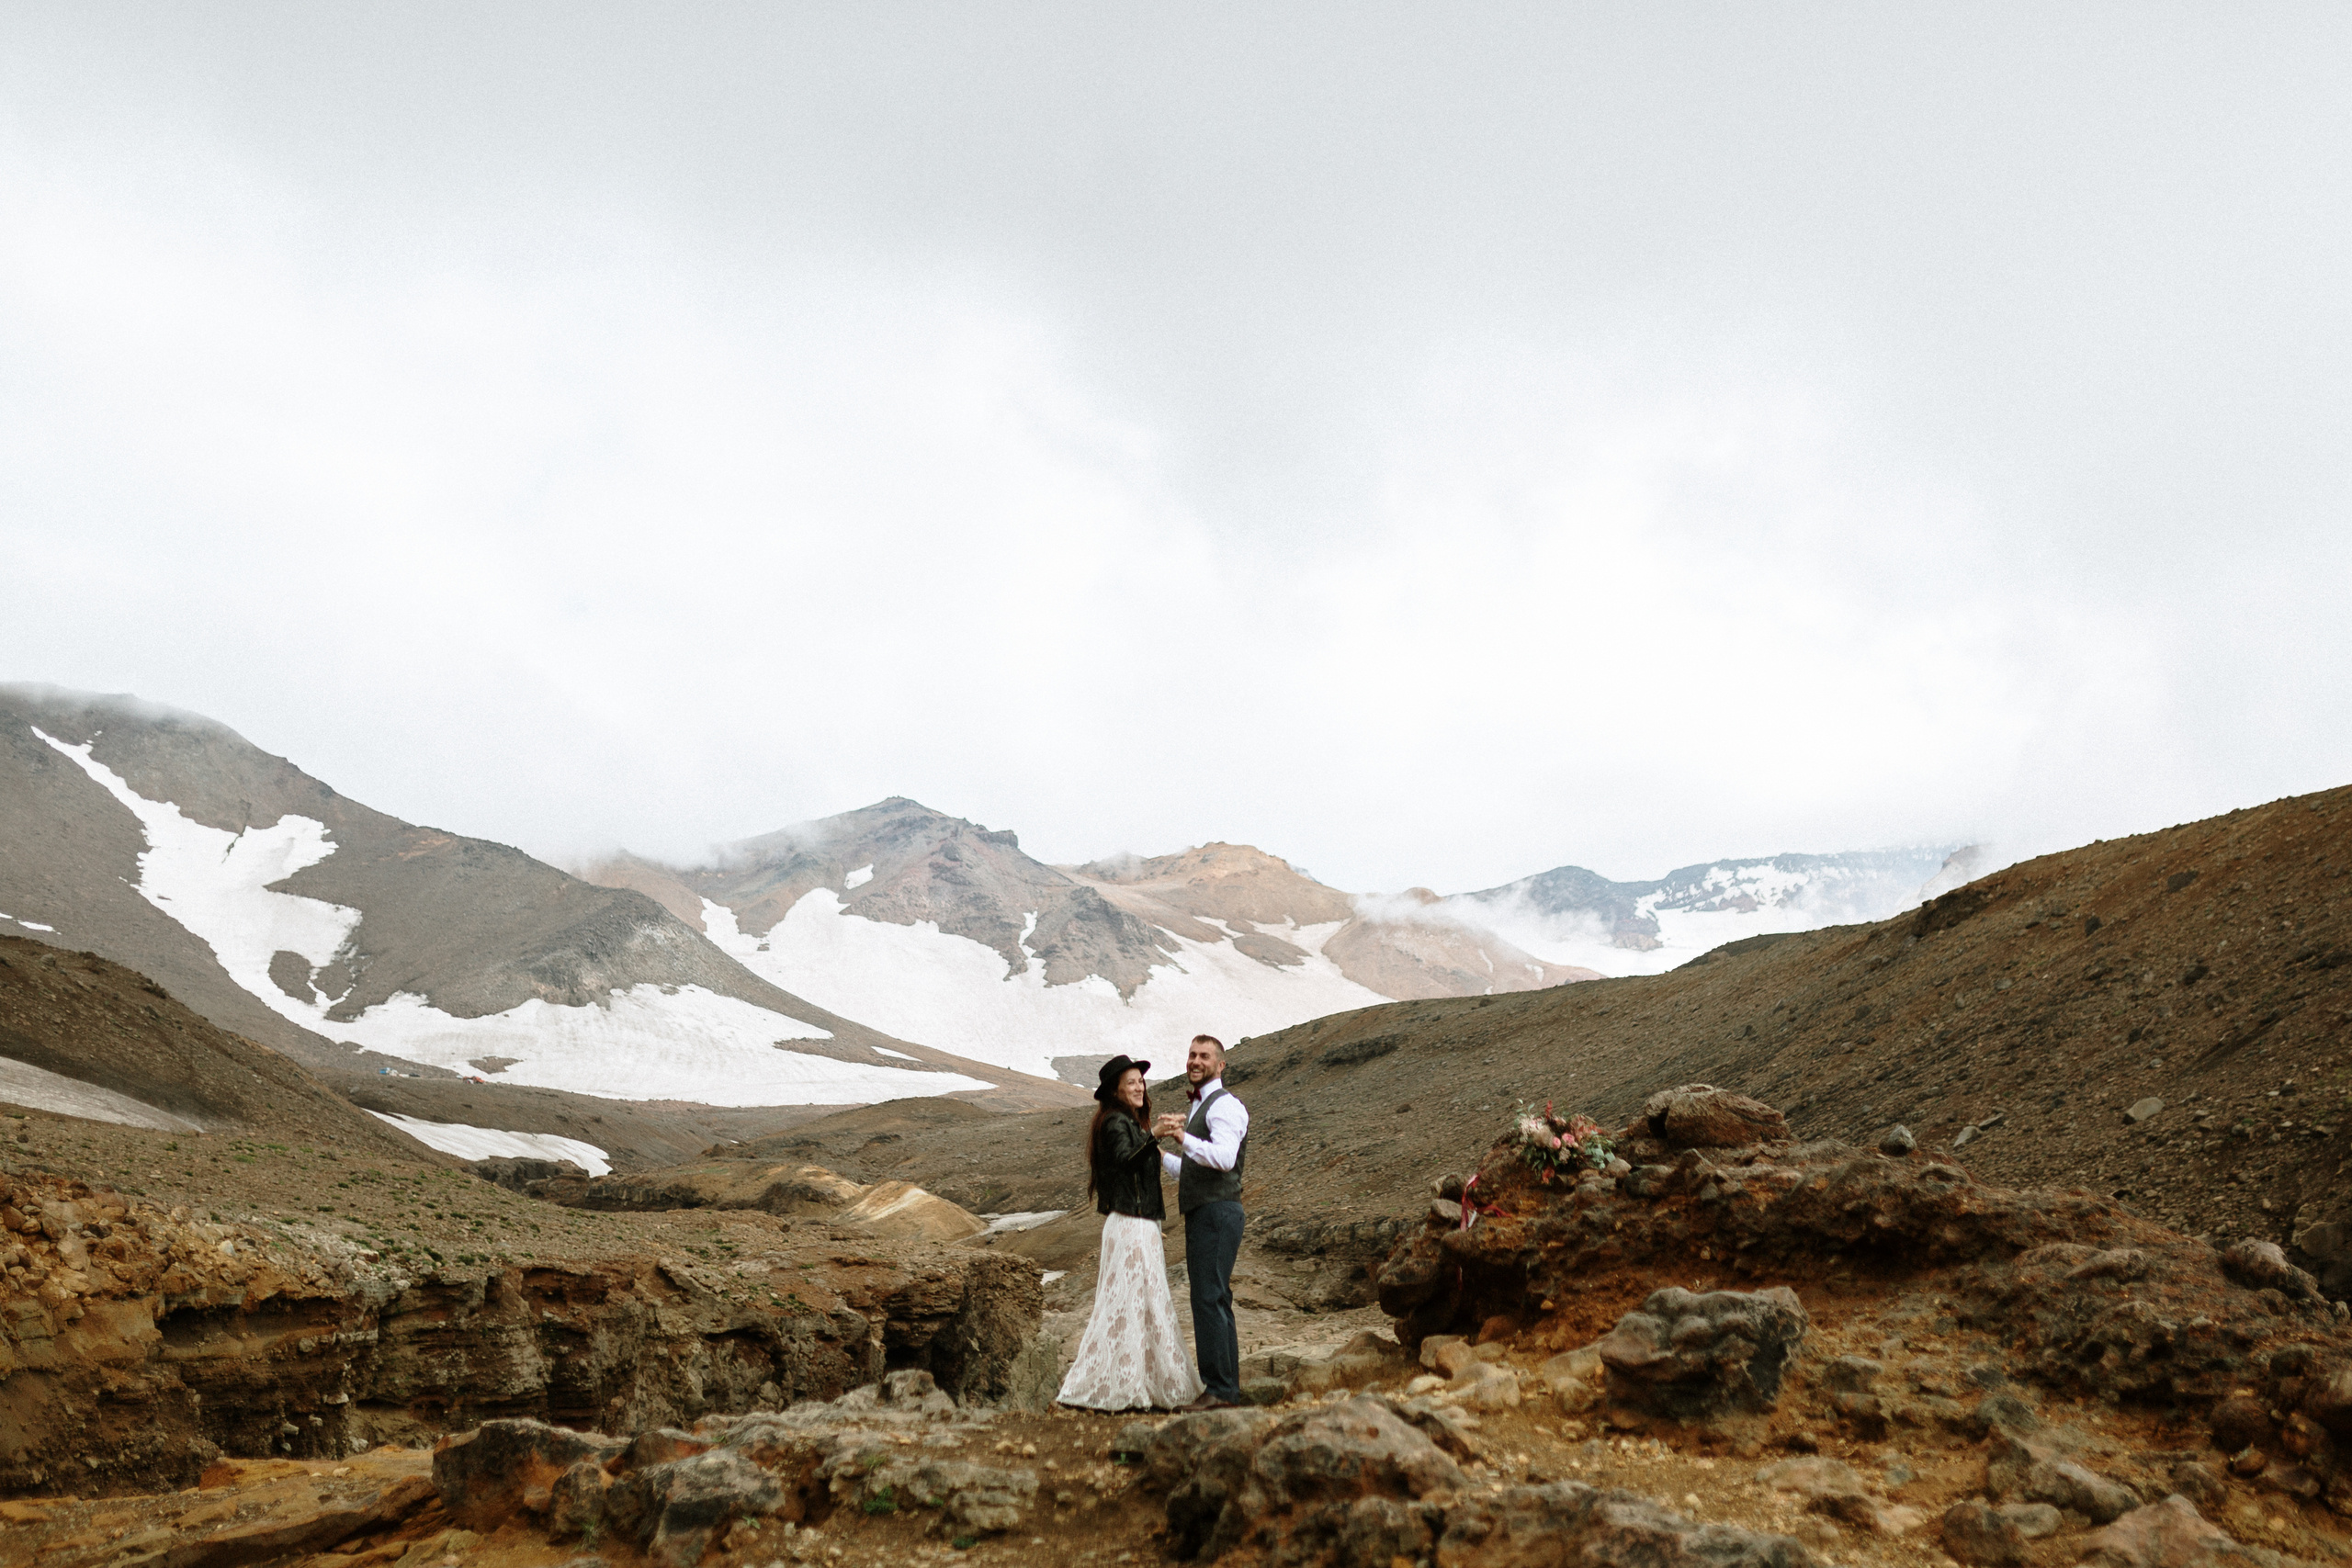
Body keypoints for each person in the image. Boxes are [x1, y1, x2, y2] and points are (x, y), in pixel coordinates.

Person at [1055, 1055, 1204, 1411]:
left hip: (1137, 1225)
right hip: (1130, 1225)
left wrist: (1148, 1222)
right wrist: (1155, 1135)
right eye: (1132, 1082)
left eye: (1141, 1081)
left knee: (1140, 1303)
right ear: (1115, 1090)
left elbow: (1134, 1173)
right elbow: (1125, 1160)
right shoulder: (1115, 1123)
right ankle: (1119, 1387)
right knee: (1130, 1303)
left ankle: (1135, 1384)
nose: (1139, 1087)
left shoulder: (1126, 1122)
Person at [1153, 1033, 1249, 1411]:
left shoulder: (1224, 1106)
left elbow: (1224, 1159)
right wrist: (1160, 1156)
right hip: (1208, 1212)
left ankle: (1220, 1391)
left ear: (1220, 1065)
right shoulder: (1201, 1107)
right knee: (1214, 1297)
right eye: (1192, 1054)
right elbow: (1196, 1168)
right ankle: (1226, 1390)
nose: (1195, 1061)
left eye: (1204, 1056)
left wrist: (1182, 1137)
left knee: (1209, 1298)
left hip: (1218, 1212)